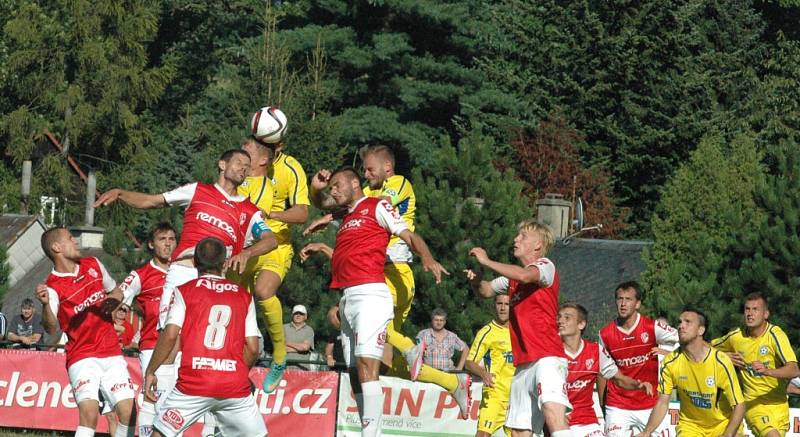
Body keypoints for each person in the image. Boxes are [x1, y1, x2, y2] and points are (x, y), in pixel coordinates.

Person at [300, 167, 459, 436]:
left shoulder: (376, 205)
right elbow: (321, 202)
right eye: (332, 187)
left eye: (337, 185)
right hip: (348, 297)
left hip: (371, 295)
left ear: (354, 182)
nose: (333, 190)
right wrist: (316, 188)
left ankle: (370, 434)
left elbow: (408, 234)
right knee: (353, 373)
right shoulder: (347, 214)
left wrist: (427, 257)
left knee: (366, 364)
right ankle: (368, 429)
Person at [144, 237, 266, 437]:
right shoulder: (244, 296)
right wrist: (236, 373)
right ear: (223, 263)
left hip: (194, 383)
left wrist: (151, 370)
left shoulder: (185, 291)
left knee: (160, 433)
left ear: (195, 263)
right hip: (233, 384)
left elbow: (171, 334)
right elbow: (253, 347)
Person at [465, 221, 571, 437]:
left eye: (522, 236)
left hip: (547, 358)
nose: (516, 239)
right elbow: (486, 290)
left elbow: (525, 276)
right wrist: (476, 281)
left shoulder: (545, 266)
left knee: (553, 414)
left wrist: (487, 260)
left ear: (538, 246)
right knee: (519, 431)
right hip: (522, 365)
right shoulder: (511, 280)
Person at [36, 227, 136, 437]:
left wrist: (115, 299)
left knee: (129, 412)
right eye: (70, 238)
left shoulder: (93, 264)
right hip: (82, 356)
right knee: (90, 415)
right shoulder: (52, 286)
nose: (76, 242)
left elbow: (114, 289)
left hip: (111, 352)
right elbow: (51, 328)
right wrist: (45, 305)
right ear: (57, 247)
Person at [239, 108, 310, 393]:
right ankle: (233, 377)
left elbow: (303, 212)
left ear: (277, 146)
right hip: (244, 247)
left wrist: (273, 215)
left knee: (264, 291)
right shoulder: (244, 164)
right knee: (234, 307)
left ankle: (279, 356)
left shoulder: (291, 168)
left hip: (276, 245)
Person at [636, 309, 745, 437]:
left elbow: (739, 405)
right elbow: (662, 402)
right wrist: (647, 431)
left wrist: (728, 434)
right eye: (680, 322)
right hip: (690, 427)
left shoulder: (720, 361)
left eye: (688, 322)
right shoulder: (670, 363)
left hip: (722, 424)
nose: (681, 325)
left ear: (701, 330)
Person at [558, 303, 653, 437]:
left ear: (581, 324)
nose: (560, 321)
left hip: (587, 423)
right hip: (558, 423)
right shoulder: (550, 353)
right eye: (559, 317)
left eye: (567, 318)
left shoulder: (595, 351)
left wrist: (638, 385)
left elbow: (619, 379)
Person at [712, 292, 799, 437]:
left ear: (766, 314)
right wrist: (723, 356)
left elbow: (794, 369)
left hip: (780, 406)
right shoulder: (736, 336)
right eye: (747, 309)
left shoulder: (775, 335)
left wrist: (767, 371)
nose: (750, 314)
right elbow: (705, 349)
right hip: (754, 405)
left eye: (755, 309)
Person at [598, 281, 678, 437]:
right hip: (618, 405)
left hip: (650, 402)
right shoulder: (605, 334)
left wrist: (668, 354)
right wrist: (603, 404)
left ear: (638, 304)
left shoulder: (652, 327)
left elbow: (686, 339)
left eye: (628, 299)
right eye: (620, 299)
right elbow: (602, 372)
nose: (623, 304)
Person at [119, 222, 177, 437]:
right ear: (151, 245)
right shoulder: (141, 274)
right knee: (153, 399)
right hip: (154, 345)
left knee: (176, 405)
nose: (168, 244)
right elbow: (117, 297)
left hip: (183, 347)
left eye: (171, 239)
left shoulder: (186, 271)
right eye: (162, 239)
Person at [464, 293, 515, 437]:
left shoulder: (520, 331)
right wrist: (484, 374)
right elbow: (469, 362)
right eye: (500, 304)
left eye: (507, 304)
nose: (503, 308)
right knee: (483, 434)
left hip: (516, 395)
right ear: (494, 306)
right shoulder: (487, 332)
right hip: (495, 393)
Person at [284, 304, 315, 369]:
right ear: (292, 315)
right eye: (296, 313)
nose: (298, 315)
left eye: (301, 314)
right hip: (284, 367)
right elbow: (280, 347)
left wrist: (287, 343)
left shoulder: (309, 330)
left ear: (305, 316)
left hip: (302, 368)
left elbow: (305, 347)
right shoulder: (283, 328)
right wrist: (300, 348)